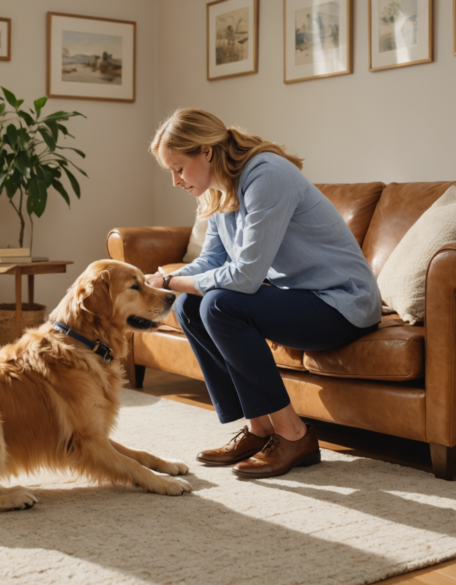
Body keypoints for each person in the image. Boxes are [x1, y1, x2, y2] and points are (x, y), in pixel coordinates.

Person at [145, 108, 381, 479]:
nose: (175, 181)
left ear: (205, 152)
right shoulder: (218, 191)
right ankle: (261, 429)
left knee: (220, 304)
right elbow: (211, 261)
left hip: (341, 305)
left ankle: (295, 435)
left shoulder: (267, 175)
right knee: (191, 303)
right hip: (301, 299)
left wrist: (173, 281)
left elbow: (245, 277)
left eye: (178, 168)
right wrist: (160, 279)